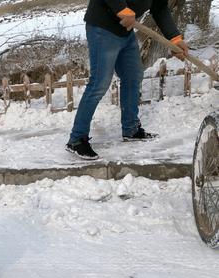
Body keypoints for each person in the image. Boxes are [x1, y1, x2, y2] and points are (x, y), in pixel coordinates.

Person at [66, 0, 189, 160]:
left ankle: (131, 129)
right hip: (102, 29)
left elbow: (160, 8)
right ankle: (76, 139)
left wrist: (175, 39)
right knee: (99, 83)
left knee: (133, 76)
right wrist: (122, 9)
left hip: (126, 31)